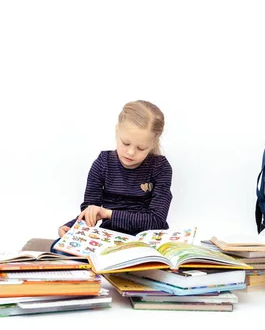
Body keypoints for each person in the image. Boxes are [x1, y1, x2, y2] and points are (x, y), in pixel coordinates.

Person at [23, 100, 173, 253]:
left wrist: (108, 214)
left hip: (146, 238)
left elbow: (156, 220)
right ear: (117, 131)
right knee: (59, 247)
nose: (130, 152)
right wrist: (73, 226)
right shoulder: (103, 163)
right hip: (110, 236)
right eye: (125, 143)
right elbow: (90, 209)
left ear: (154, 142)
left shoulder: (160, 167)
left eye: (141, 148)